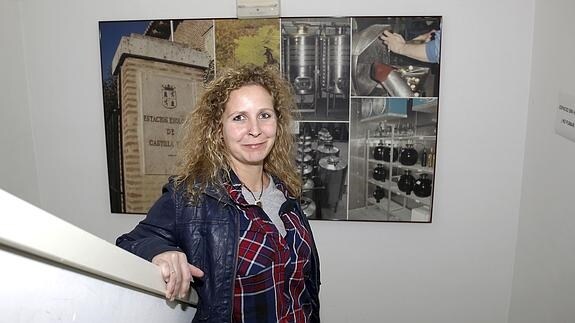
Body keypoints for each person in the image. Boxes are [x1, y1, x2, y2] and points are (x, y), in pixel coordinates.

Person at [116, 65, 321, 323]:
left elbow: (303, 290)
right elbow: (131, 242)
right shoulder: (191, 195)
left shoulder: (286, 193)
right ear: (218, 129)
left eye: (265, 115)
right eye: (239, 118)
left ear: (278, 123)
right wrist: (161, 251)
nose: (255, 129)